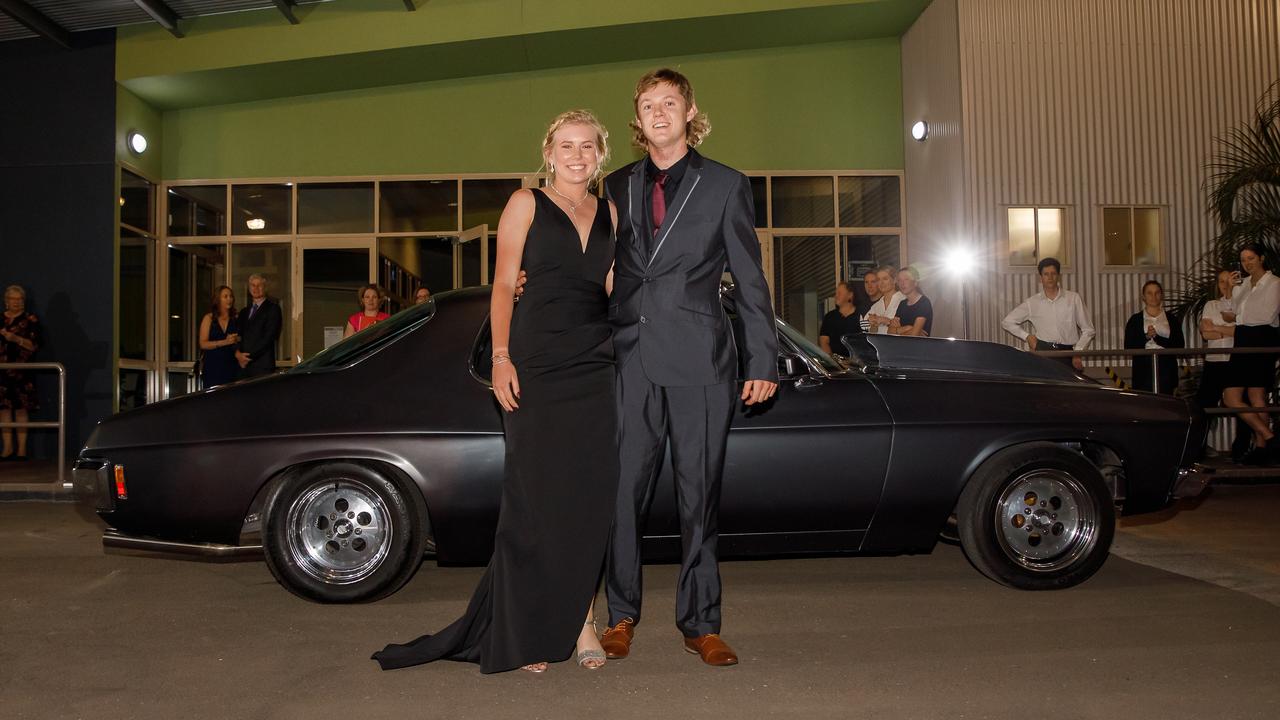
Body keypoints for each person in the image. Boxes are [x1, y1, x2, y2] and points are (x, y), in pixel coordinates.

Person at [373, 109, 618, 674]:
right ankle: (526, 625)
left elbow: (614, 285)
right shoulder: (525, 203)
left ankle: (582, 623)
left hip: (595, 364)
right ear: (548, 152)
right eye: (566, 145)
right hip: (536, 360)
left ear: (600, 155)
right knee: (534, 498)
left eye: (587, 146)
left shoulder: (610, 211)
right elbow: (506, 281)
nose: (576, 155)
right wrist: (503, 356)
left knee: (586, 498)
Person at [598, 68, 779, 668]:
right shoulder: (617, 184)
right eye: (648, 104)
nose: (658, 112)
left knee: (698, 495)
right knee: (623, 492)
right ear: (638, 117)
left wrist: (762, 359)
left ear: (688, 111)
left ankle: (701, 623)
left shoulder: (725, 185)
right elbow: (599, 264)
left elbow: (750, 279)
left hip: (702, 360)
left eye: (668, 102)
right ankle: (620, 615)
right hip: (629, 359)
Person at [1222, 244, 1280, 464]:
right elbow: (1228, 313)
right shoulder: (1243, 283)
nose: (1247, 263)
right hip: (1244, 338)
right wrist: (1229, 290)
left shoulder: (1274, 283)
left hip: (1261, 338)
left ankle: (1262, 448)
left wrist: (1238, 318)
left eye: (1251, 258)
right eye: (1244, 260)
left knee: (1257, 397)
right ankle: (1270, 438)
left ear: (1261, 258)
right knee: (1232, 397)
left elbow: (1266, 315)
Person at [1000, 257, 1095, 370]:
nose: (1050, 277)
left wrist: (1078, 352)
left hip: (1068, 354)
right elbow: (1007, 322)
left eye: (1053, 273)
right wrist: (1027, 337)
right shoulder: (1032, 302)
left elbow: (1089, 330)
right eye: (1046, 274)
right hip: (1042, 353)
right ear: (1040, 277)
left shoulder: (1073, 298)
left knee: (1068, 387)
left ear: (1058, 275)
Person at [1198, 269, 1248, 459]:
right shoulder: (1211, 304)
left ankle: (1241, 447)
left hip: (1235, 361)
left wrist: (1218, 329)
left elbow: (1241, 332)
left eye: (1229, 282)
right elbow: (1206, 333)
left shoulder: (1242, 305)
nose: (1225, 285)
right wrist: (1228, 330)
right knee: (1204, 405)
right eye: (1221, 282)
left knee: (1239, 404)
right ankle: (1199, 446)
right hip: (1214, 361)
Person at [0, 285, 40, 461]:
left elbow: (34, 345)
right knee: (4, 410)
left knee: (22, 410)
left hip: (22, 372)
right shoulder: (0, 320)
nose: (16, 302)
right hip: (1, 373)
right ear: (6, 301)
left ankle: (22, 450)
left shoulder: (30, 320)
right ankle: (7, 449)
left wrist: (15, 338)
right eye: (12, 299)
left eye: (19, 299)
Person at [1124, 280, 1184, 394]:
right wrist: (1146, 336)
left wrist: (1158, 338)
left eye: (1157, 293)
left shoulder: (1171, 319)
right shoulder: (1135, 320)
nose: (1153, 296)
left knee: (1166, 405)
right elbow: (1128, 346)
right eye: (1149, 293)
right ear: (1143, 297)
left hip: (1167, 368)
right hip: (1143, 369)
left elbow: (1180, 344)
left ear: (1161, 295)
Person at [235, 274, 282, 379]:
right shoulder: (244, 312)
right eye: (253, 285)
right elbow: (237, 336)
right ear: (249, 288)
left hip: (262, 366)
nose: (256, 288)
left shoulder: (273, 309)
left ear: (265, 288)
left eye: (259, 285)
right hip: (243, 368)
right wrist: (237, 354)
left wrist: (246, 357)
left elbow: (269, 337)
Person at [198, 286, 240, 389]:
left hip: (231, 366)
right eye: (225, 296)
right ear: (218, 299)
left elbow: (241, 338)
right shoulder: (209, 318)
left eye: (231, 296)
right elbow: (203, 344)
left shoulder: (235, 318)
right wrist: (224, 342)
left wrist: (236, 339)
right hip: (213, 366)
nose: (229, 299)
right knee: (213, 401)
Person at [819, 281, 861, 355]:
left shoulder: (861, 315)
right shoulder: (830, 317)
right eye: (836, 293)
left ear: (850, 295)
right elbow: (824, 342)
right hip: (835, 363)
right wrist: (833, 362)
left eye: (839, 293)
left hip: (857, 364)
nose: (836, 296)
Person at [889, 266, 932, 337]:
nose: (902, 283)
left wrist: (898, 331)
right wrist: (908, 328)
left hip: (919, 347)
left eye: (906, 279)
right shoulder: (902, 304)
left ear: (915, 282)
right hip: (901, 346)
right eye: (899, 280)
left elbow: (914, 335)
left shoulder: (924, 303)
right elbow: (890, 332)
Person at [864, 266, 903, 335]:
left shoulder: (903, 300)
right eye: (878, 279)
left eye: (885, 279)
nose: (881, 283)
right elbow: (864, 327)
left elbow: (909, 328)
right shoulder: (876, 306)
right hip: (879, 344)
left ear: (894, 280)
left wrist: (887, 321)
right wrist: (873, 324)